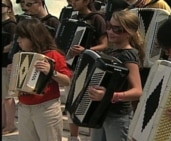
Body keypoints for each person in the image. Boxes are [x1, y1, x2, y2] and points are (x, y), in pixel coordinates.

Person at [8, 17, 72, 141]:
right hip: (24, 107)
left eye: (22, 37)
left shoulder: (53, 54)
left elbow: (67, 81)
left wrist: (51, 72)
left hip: (46, 108)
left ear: (33, 37)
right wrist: (14, 71)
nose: (19, 41)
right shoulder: (21, 55)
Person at [87, 10, 144, 141]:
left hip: (118, 116)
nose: (110, 32)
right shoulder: (111, 51)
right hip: (102, 112)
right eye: (109, 27)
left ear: (129, 32)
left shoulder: (128, 55)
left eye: (117, 29)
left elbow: (137, 91)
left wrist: (110, 96)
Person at [65, 0, 108, 141]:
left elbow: (105, 44)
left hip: (90, 67)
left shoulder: (97, 18)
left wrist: (86, 51)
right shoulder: (74, 17)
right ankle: (73, 136)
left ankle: (91, 137)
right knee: (72, 102)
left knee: (88, 103)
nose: (72, 2)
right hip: (74, 66)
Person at [2, 0, 18, 135]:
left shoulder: (11, 25)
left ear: (8, 8)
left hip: (5, 64)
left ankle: (10, 124)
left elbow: (13, 44)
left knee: (8, 97)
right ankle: (3, 123)